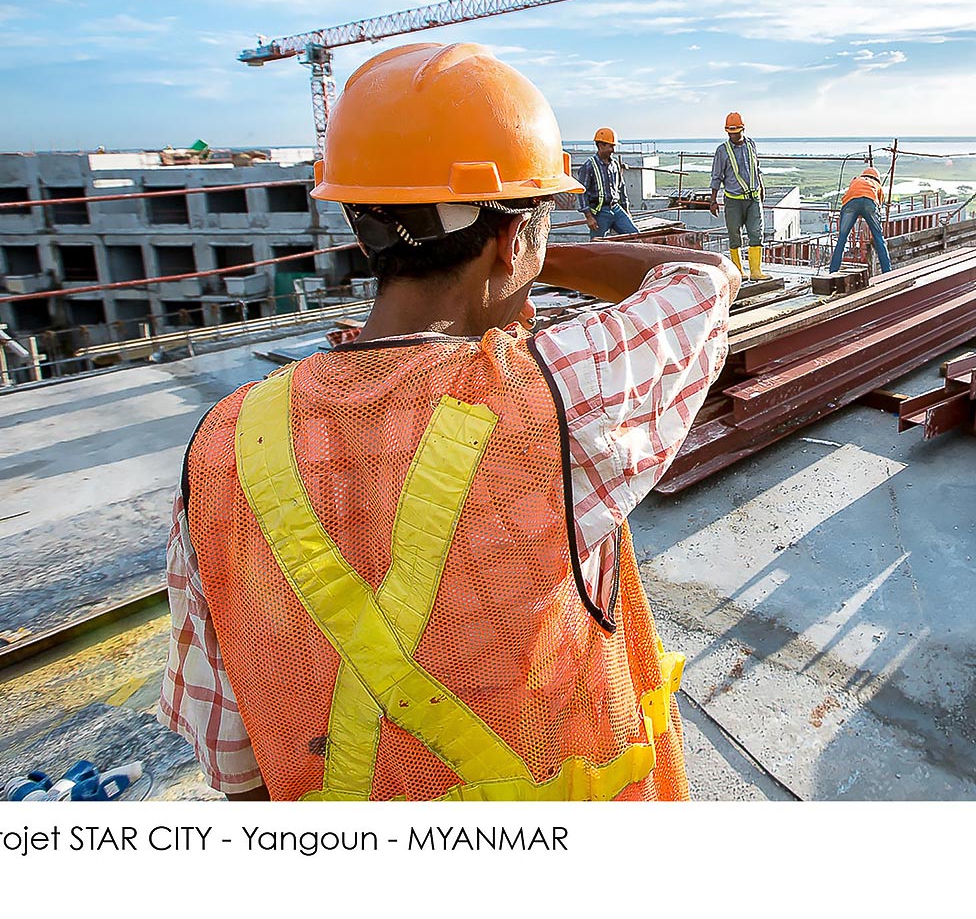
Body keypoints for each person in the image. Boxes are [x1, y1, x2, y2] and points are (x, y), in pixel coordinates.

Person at [158, 41, 741, 801]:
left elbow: (232, 758)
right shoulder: (553, 394)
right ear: (510, 240)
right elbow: (702, 280)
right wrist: (535, 255)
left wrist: (507, 246)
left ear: (362, 226)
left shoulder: (222, 443)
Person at [709, 111, 767, 282]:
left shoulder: (751, 145)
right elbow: (716, 176)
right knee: (735, 235)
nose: (733, 136)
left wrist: (761, 187)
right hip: (733, 200)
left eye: (736, 132)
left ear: (743, 129)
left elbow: (756, 169)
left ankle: (756, 271)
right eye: (730, 133)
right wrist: (713, 201)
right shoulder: (722, 151)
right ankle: (739, 271)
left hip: (753, 198)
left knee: (756, 233)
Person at [827, 164, 893, 275]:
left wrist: (855, 211)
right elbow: (878, 207)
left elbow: (849, 198)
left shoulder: (855, 180)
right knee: (879, 239)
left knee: (842, 239)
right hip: (870, 202)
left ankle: (833, 272)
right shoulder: (877, 185)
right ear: (877, 178)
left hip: (850, 204)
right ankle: (887, 272)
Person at [579, 126, 639, 238]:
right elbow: (582, 192)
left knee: (635, 236)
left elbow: (621, 188)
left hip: (616, 208)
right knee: (597, 245)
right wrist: (589, 217)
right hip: (599, 212)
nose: (613, 150)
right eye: (611, 146)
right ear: (601, 146)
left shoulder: (615, 165)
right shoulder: (589, 166)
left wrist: (626, 211)